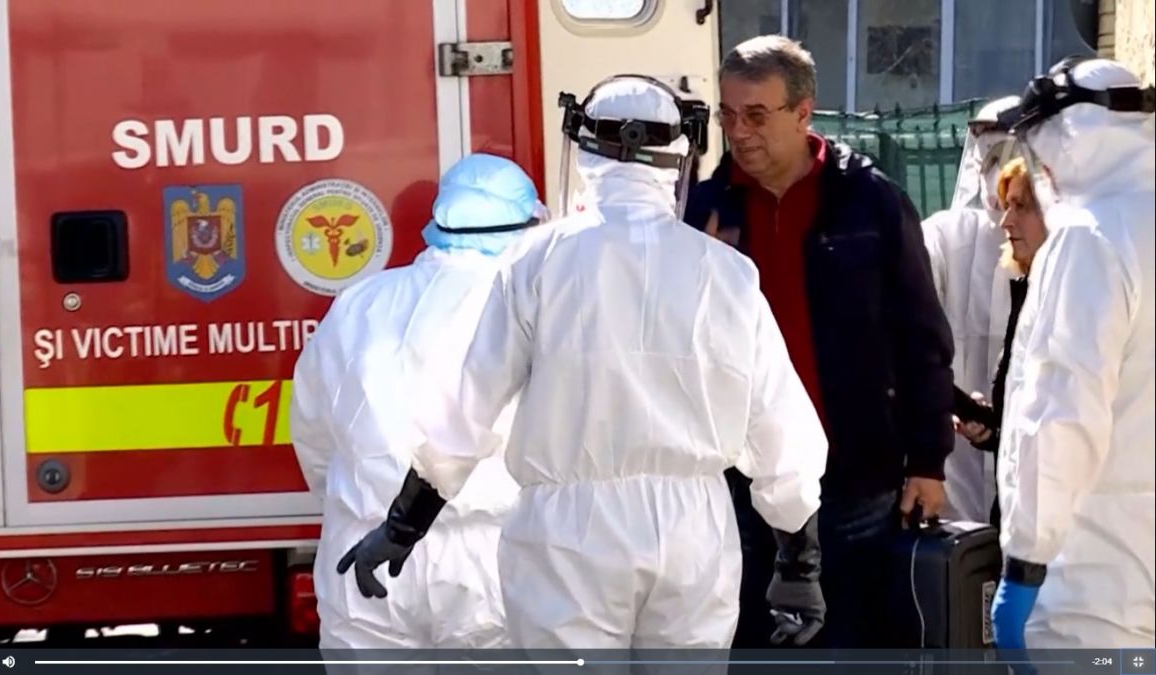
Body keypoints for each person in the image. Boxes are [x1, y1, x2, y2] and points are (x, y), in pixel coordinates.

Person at [337, 74, 829, 650]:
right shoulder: (727, 274)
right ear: (680, 151)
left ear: (584, 148)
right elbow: (779, 425)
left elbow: (468, 408)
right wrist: (798, 564)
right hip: (694, 531)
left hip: (567, 536)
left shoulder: (535, 260)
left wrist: (404, 524)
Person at [684, 36, 956, 649]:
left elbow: (922, 338)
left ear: (803, 113)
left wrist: (928, 462)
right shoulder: (703, 211)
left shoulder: (871, 202)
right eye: (728, 114)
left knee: (850, 640)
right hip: (739, 482)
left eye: (757, 115)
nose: (739, 132)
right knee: (747, 643)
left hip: (853, 476)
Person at [289, 153, 545, 649]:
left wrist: (358, 508)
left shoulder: (358, 303)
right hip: (493, 557)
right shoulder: (532, 309)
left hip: (364, 548)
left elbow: (314, 432)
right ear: (530, 226)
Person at [990, 57, 1155, 649]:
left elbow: (1060, 413)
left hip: (1091, 587)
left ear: (1071, 135)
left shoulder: (1089, 237)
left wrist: (1025, 562)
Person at [922, 97, 1019, 526]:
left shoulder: (1061, 247)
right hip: (954, 476)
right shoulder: (950, 234)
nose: (997, 172)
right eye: (990, 158)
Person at [951, 157, 1048, 530]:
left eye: (1021, 207)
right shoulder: (1027, 294)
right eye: (1007, 206)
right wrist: (991, 428)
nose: (1006, 221)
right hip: (1022, 516)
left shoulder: (1068, 302)